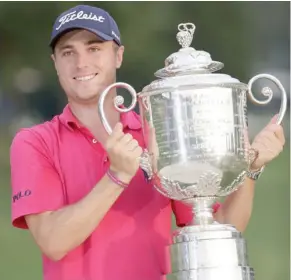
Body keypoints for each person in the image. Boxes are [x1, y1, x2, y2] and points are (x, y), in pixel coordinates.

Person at [10, 4, 285, 280]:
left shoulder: (158, 133)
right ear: (54, 62)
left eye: (94, 48)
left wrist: (250, 168)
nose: (81, 63)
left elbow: (219, 227)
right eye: (68, 52)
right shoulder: (34, 142)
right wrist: (117, 176)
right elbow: (53, 241)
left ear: (118, 55)